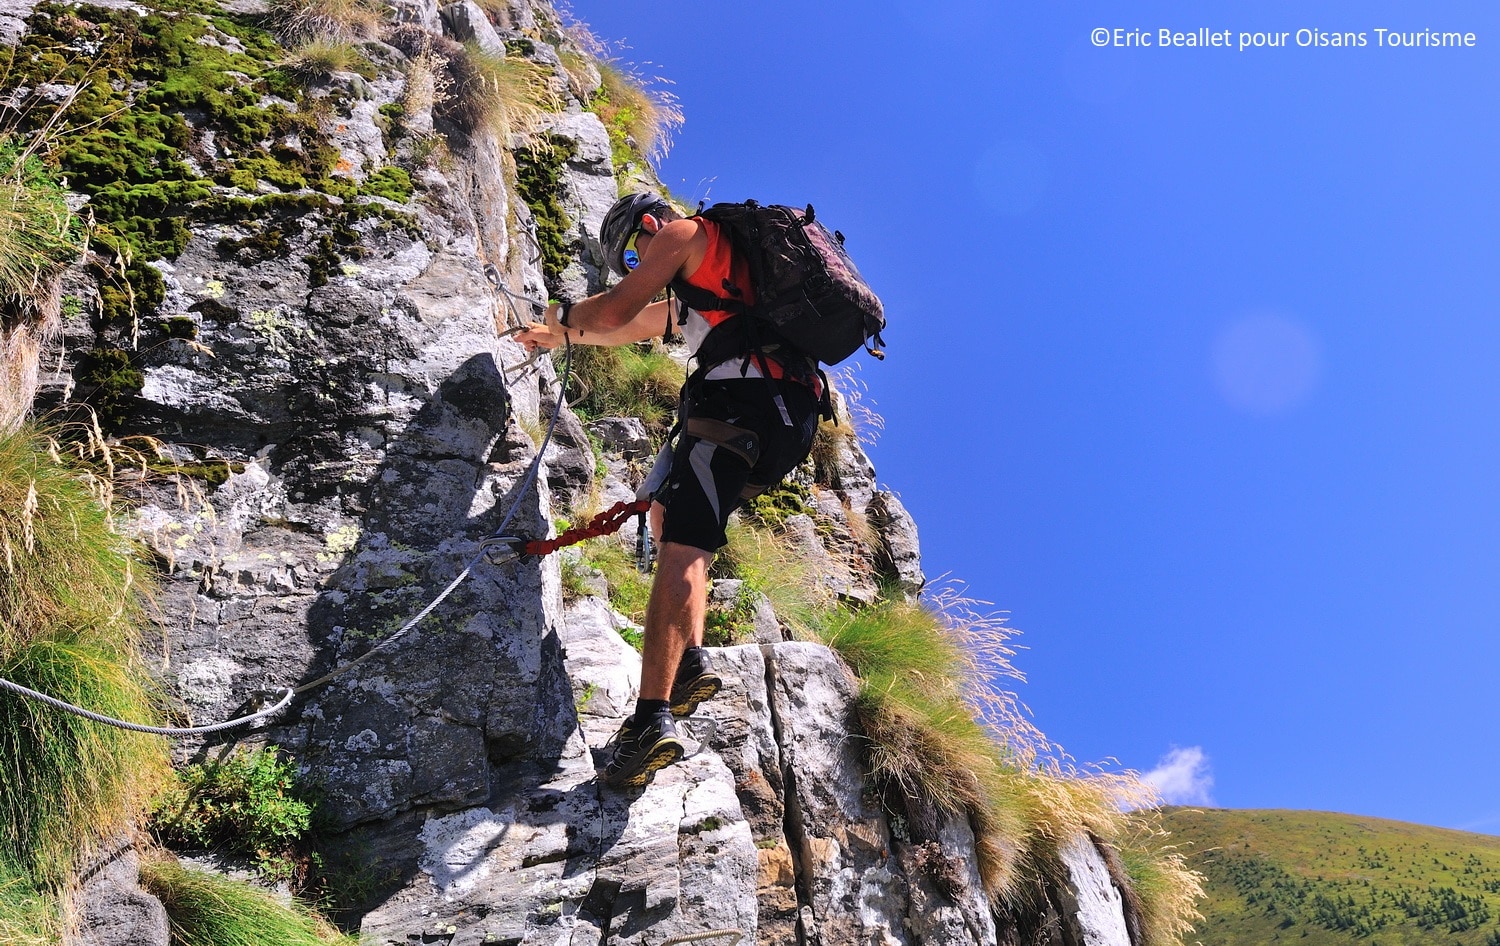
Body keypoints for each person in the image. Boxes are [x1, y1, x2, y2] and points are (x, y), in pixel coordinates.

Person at [517, 193, 822, 789]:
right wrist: (560, 337)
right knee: (667, 508)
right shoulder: (722, 289)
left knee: (685, 542)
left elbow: (612, 311)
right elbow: (628, 328)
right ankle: (689, 664)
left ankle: (652, 720)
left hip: (740, 407)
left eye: (634, 256)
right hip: (786, 420)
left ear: (649, 227)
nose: (637, 269)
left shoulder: (686, 235)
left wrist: (563, 312)